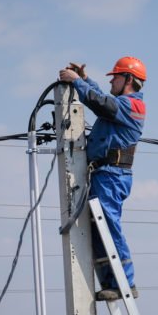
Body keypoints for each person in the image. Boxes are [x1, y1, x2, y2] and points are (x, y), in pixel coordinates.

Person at [58, 56, 147, 301]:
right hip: (103, 174)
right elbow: (104, 99)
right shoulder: (121, 103)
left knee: (108, 222)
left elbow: (101, 104)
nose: (111, 82)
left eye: (115, 77)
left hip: (113, 175)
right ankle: (111, 282)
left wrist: (77, 82)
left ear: (128, 79)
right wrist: (85, 80)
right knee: (97, 227)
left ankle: (126, 282)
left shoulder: (134, 106)